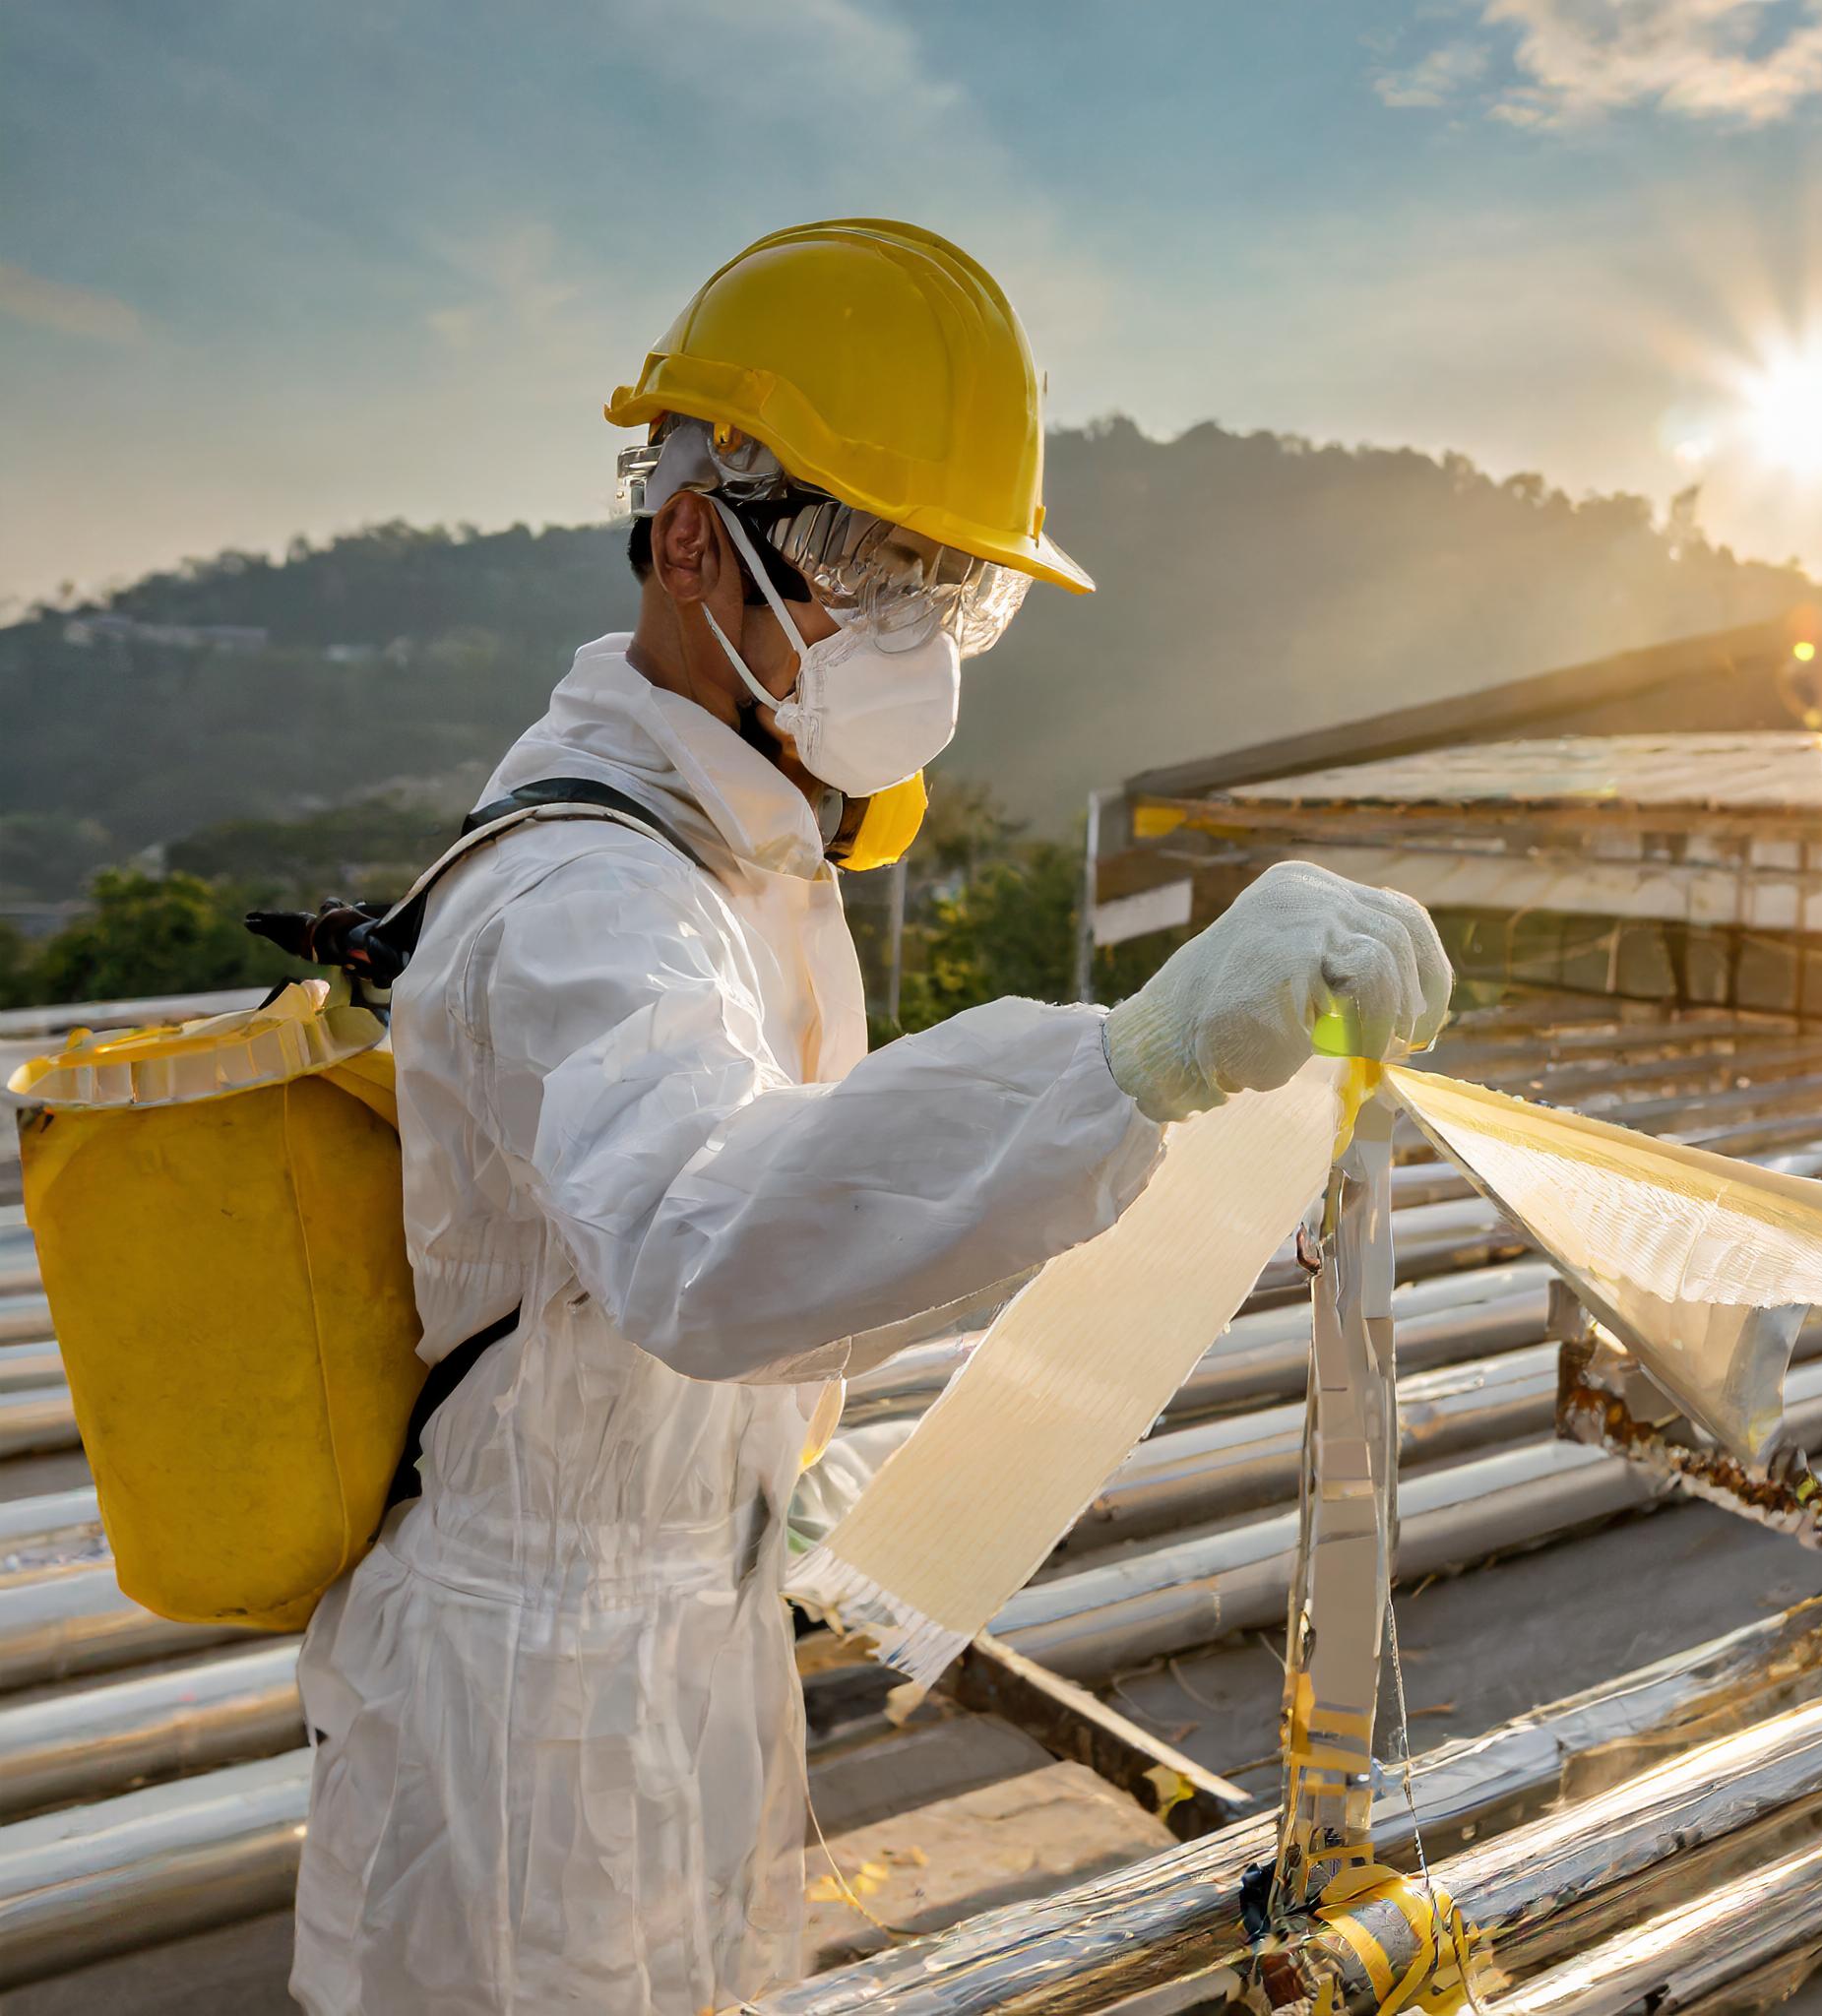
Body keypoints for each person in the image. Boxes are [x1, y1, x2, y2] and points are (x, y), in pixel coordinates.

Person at [289, 218, 1450, 2016]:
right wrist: (1131, 1059)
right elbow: (705, 1237)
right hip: (530, 1697)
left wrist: (777, 1452)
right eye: (870, 570)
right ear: (695, 540)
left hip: (671, 1640)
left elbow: (786, 1234)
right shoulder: (585, 894)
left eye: (947, 589)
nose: (913, 633)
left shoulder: (743, 856)